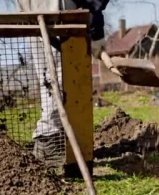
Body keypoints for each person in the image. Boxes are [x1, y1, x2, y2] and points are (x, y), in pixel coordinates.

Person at [16, 0, 109, 165]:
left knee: (48, 77)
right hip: (58, 5)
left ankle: (53, 140)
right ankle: (50, 140)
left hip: (31, 5)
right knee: (63, 76)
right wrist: (96, 22)